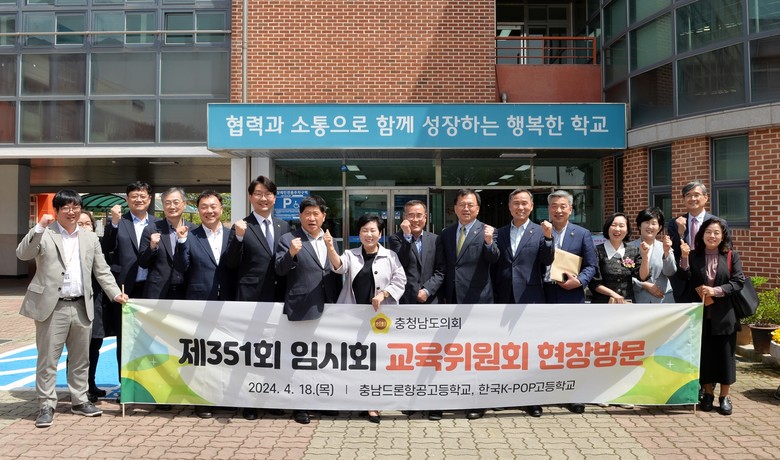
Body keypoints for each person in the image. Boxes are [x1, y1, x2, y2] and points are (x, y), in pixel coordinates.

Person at [17, 190, 128, 428]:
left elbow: (101, 270)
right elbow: (23, 253)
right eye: (66, 207)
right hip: (52, 307)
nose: (71, 212)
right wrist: (38, 227)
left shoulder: (90, 238)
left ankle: (80, 400)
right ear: (56, 210)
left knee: (81, 358)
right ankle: (46, 404)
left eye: (75, 207)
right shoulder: (45, 233)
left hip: (81, 305)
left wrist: (115, 293)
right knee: (48, 359)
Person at [325, 214, 406, 424]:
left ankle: (372, 404)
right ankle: (355, 399)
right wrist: (330, 247)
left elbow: (400, 280)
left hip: (380, 319)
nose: (369, 235)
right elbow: (339, 267)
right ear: (359, 233)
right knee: (356, 360)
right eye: (364, 230)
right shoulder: (350, 254)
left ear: (380, 233)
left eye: (373, 230)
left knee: (376, 361)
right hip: (353, 318)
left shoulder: (390, 256)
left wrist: (384, 294)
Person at [222, 176, 290, 420]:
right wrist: (239, 237)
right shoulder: (241, 226)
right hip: (251, 298)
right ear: (251, 197)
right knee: (251, 351)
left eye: (268, 194)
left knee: (274, 349)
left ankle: (270, 398)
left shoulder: (284, 226)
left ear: (274, 197)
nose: (264, 198)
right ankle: (249, 401)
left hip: (278, 297)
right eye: (259, 194)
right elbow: (230, 263)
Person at [275, 195, 342, 424]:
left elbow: (335, 271)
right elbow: (279, 270)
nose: (311, 218)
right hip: (302, 306)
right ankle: (299, 405)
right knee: (301, 358)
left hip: (328, 305)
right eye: (307, 214)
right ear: (300, 216)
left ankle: (321, 401)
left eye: (316, 213)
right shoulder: (288, 239)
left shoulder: (330, 239)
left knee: (323, 357)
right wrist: (291, 254)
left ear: (324, 216)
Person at [435, 188, 499, 421]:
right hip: (452, 300)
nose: (466, 208)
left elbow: (494, 258)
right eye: (462, 204)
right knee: (453, 353)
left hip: (478, 301)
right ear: (455, 208)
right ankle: (453, 396)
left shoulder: (488, 231)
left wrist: (489, 242)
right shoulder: (446, 233)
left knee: (476, 353)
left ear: (478, 209)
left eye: (470, 205)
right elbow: (443, 267)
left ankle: (477, 401)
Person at [172, 190, 234, 418]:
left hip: (228, 302)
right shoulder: (190, 235)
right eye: (204, 207)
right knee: (202, 353)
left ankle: (224, 397)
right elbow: (181, 267)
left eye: (213, 206)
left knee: (226, 352)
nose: (209, 211)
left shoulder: (233, 235)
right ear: (198, 211)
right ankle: (201, 400)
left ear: (221, 209)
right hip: (200, 302)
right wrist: (180, 241)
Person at [493, 188, 554, 418]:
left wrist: (548, 239)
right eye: (516, 203)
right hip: (504, 297)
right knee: (504, 349)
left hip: (531, 297)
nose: (520, 207)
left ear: (531, 206)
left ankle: (531, 398)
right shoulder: (499, 233)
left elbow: (547, 260)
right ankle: (503, 394)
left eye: (524, 203)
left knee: (529, 350)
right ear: (509, 207)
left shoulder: (540, 231)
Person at [678, 217, 743, 416]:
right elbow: (686, 277)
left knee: (725, 357)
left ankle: (724, 396)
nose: (712, 236)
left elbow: (738, 281)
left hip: (724, 315)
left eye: (716, 233)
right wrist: (684, 258)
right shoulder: (694, 255)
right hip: (701, 315)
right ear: (702, 234)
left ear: (723, 236)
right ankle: (707, 394)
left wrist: (717, 291)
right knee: (704, 356)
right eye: (708, 232)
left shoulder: (731, 255)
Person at [542, 189, 597, 414]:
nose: (558, 210)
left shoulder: (582, 234)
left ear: (571, 209)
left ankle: (574, 394)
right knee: (546, 346)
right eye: (554, 206)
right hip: (544, 295)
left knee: (572, 348)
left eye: (563, 206)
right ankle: (547, 390)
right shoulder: (539, 231)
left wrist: (580, 281)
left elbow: (591, 266)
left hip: (571, 295)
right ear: (548, 209)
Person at [101, 181, 159, 395]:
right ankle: (125, 387)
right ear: (127, 199)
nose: (139, 199)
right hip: (125, 290)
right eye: (134, 196)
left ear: (149, 199)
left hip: (151, 289)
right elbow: (106, 248)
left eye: (143, 196)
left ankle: (150, 385)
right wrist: (114, 223)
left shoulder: (158, 224)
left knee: (150, 338)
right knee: (125, 339)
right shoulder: (119, 222)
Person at [138, 187, 196, 300]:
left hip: (186, 290)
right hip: (158, 291)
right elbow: (142, 263)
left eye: (176, 202)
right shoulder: (151, 229)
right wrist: (152, 247)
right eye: (167, 203)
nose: (172, 206)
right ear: (163, 206)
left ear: (184, 204)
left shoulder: (194, 230)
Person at [667, 180, 720, 302]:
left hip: (708, 280)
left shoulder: (717, 223)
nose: (692, 199)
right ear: (684, 199)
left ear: (706, 197)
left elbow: (725, 252)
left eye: (696, 195)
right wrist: (680, 233)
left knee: (708, 314)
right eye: (688, 195)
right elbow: (673, 251)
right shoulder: (675, 223)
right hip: (683, 282)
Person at [77, 210, 110, 403]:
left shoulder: (97, 244)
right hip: (78, 302)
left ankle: (90, 383)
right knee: (79, 348)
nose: (84, 227)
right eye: (79, 224)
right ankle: (79, 389)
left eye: (87, 223)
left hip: (97, 301)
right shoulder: (70, 246)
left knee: (95, 344)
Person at [387, 200, 444, 305]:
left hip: (431, 299)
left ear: (425, 217)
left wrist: (427, 290)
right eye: (411, 215)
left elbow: (441, 270)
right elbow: (402, 262)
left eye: (419, 215)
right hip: (406, 300)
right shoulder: (395, 239)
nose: (415, 219)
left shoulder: (435, 239)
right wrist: (407, 236)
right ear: (404, 218)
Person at [589, 212, 650, 304]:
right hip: (603, 304)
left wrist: (645, 256)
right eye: (613, 225)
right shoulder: (596, 251)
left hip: (626, 304)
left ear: (627, 230)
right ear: (607, 228)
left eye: (621, 226)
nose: (617, 229)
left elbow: (643, 277)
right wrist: (613, 294)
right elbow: (594, 283)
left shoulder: (633, 251)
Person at [629, 208, 677, 304]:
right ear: (639, 225)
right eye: (646, 222)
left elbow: (670, 272)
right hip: (638, 299)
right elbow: (624, 275)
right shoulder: (628, 248)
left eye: (654, 223)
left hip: (663, 300)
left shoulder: (665, 246)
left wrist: (666, 252)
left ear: (659, 227)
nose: (650, 226)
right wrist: (644, 284)